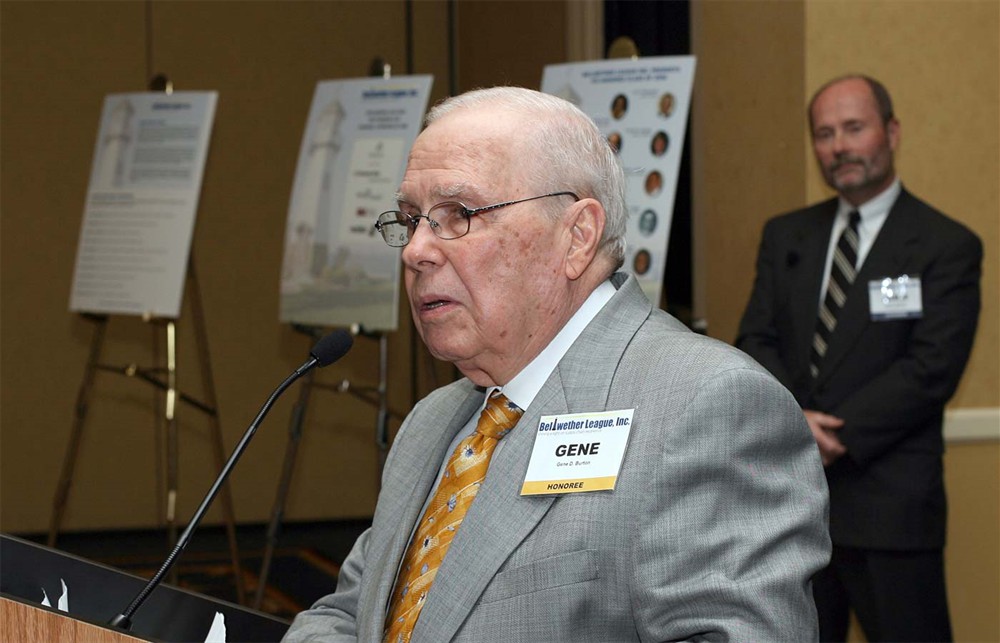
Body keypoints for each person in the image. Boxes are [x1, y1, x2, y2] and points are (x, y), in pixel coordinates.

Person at [284, 86, 829, 643]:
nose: (416, 249)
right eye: (411, 218)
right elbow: (345, 616)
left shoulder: (707, 406)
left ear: (577, 236)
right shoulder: (432, 422)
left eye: (457, 214)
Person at [736, 75, 982, 643]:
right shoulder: (785, 236)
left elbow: (931, 368)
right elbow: (755, 340)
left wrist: (832, 435)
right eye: (824, 134)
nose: (839, 146)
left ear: (891, 133)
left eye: (854, 128)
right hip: (793, 505)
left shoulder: (945, 244)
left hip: (890, 506)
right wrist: (794, 423)